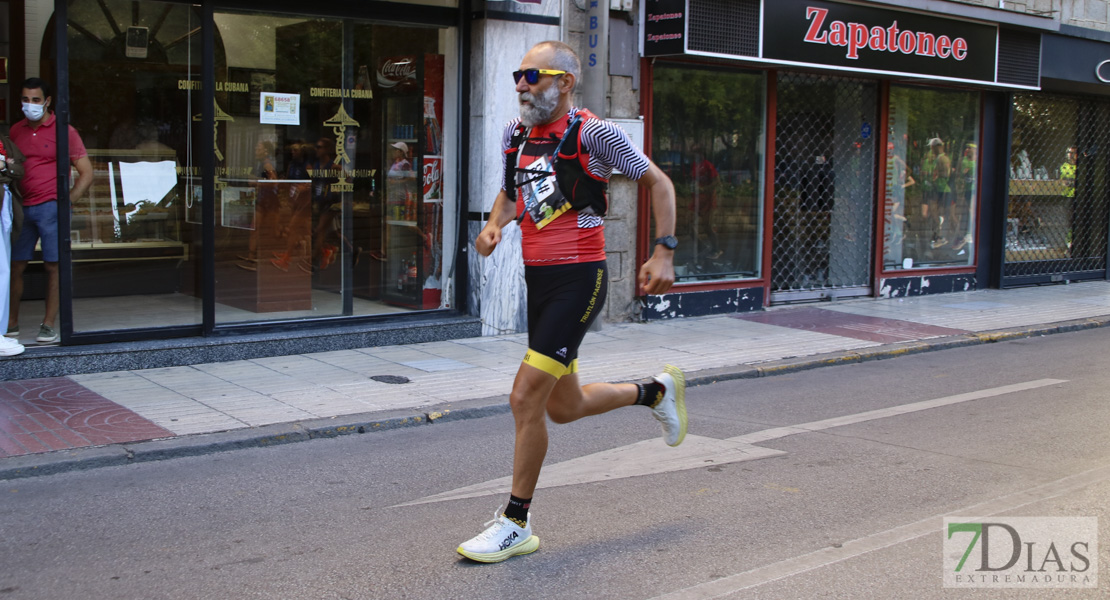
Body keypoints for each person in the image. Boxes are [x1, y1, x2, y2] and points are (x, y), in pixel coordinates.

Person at [457, 41, 683, 564]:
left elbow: (659, 183)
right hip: (540, 282)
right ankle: (654, 392)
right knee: (564, 406)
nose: (520, 84)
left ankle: (516, 523)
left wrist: (663, 252)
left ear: (565, 83)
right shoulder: (517, 134)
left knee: (524, 398)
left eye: (533, 76)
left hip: (580, 279)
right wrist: (494, 225)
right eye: (518, 74)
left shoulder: (593, 133)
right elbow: (514, 194)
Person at [7, 78, 93, 344]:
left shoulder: (64, 131)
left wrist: (66, 202)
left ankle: (49, 324)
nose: (29, 105)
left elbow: (86, 172)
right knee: (14, 266)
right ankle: (10, 324)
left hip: (50, 208)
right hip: (21, 207)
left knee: (53, 266)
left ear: (47, 101)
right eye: (25, 99)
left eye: (35, 100)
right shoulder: (15, 131)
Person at [0, 124, 25, 356]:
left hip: (4, 210)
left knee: (3, 269)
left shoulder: (4, 141)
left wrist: (5, 167)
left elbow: (17, 167)